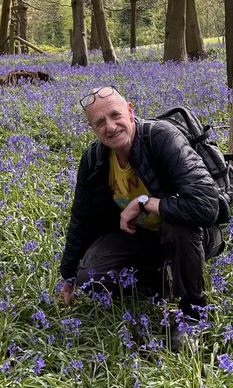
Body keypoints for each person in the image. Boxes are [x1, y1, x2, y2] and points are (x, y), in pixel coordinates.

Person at [59, 86, 224, 324]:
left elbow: (206, 206)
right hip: (142, 236)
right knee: (90, 276)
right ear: (92, 128)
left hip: (193, 234)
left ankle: (193, 313)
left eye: (115, 115)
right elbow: (81, 218)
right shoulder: (94, 159)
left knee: (179, 224)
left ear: (130, 110)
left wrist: (144, 202)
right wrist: (69, 274)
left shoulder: (162, 137)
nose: (111, 127)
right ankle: (157, 284)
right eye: (100, 122)